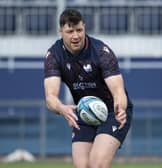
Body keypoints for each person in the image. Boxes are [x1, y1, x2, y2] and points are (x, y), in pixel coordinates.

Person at [44, 9, 133, 168]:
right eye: (70, 31)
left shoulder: (101, 52)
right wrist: (61, 108)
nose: (76, 36)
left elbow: (118, 90)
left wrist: (121, 109)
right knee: (82, 166)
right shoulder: (54, 55)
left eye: (79, 30)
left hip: (113, 111)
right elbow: (50, 97)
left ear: (84, 27)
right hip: (84, 111)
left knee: (97, 164)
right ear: (61, 32)